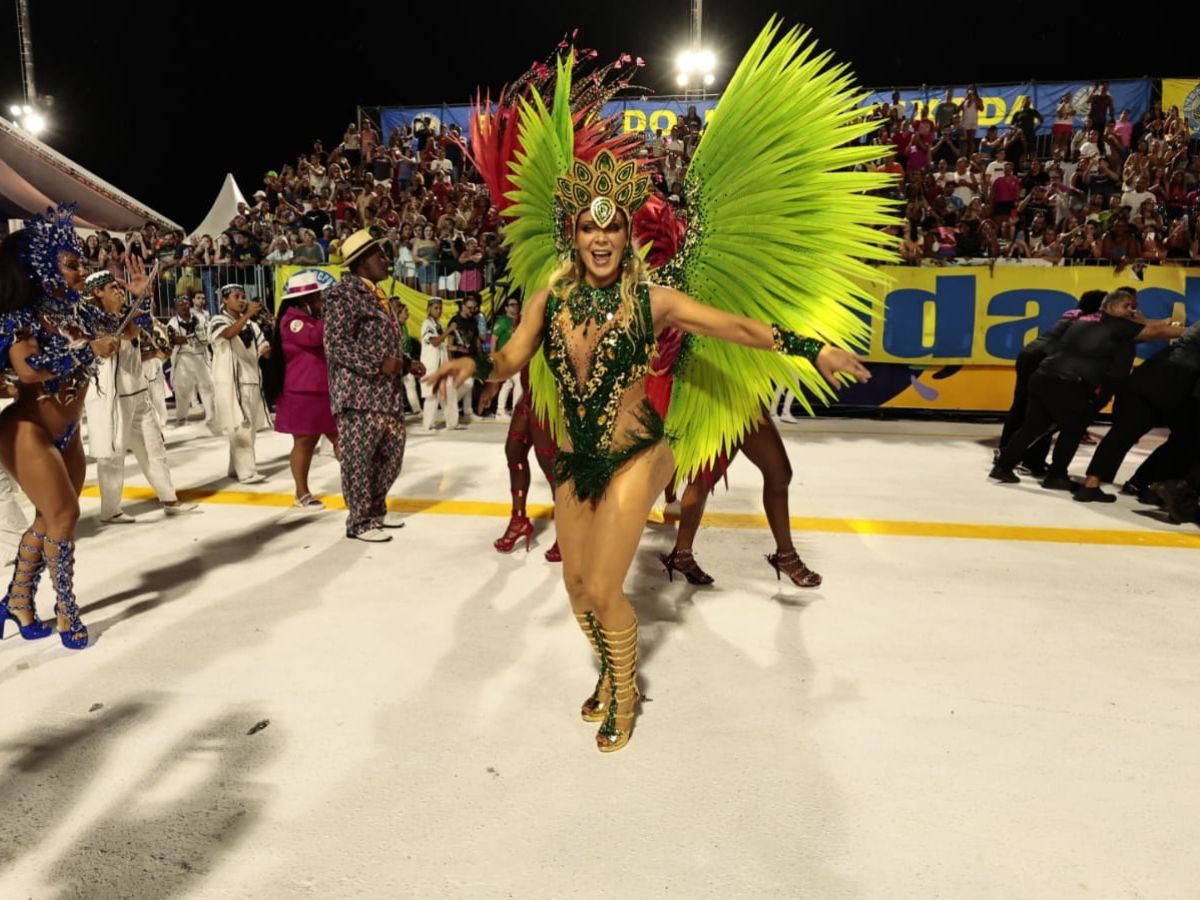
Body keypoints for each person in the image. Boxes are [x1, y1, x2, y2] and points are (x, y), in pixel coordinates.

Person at [0, 205, 121, 649]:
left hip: (66, 432)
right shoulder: (23, 317)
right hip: (26, 429)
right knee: (66, 516)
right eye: (72, 264)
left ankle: (16, 600)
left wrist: (124, 301)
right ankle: (67, 609)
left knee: (46, 518)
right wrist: (87, 351)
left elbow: (122, 333)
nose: (80, 271)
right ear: (41, 268)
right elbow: (29, 368)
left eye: (81, 264)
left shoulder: (76, 313)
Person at [991, 290, 1185, 488]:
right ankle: (1057, 476)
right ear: (1110, 306)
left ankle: (1003, 466)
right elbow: (1154, 332)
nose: (1131, 311)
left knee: (1032, 427)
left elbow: (1144, 327)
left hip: (1044, 376)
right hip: (1068, 382)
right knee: (1073, 429)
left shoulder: (1085, 319)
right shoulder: (1115, 324)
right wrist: (1187, 331)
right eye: (1126, 306)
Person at [323, 230, 424, 542]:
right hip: (358, 395)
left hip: (387, 395)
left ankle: (376, 509)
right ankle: (359, 521)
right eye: (380, 255)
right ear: (363, 262)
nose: (386, 260)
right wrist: (378, 364)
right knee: (358, 461)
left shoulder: (378, 295)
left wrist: (406, 363)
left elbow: (384, 341)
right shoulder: (343, 295)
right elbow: (335, 344)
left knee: (392, 457)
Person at [82, 271, 198, 524]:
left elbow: (136, 336)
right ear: (97, 292)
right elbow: (123, 335)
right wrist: (136, 304)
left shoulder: (125, 315)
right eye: (112, 287)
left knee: (154, 448)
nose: (118, 290)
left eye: (119, 287)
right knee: (113, 455)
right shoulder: (89, 319)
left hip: (138, 393)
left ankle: (169, 499)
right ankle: (110, 510)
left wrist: (141, 299)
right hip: (110, 398)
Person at [267, 272, 339, 509]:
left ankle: (357, 486)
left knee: (341, 440)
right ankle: (301, 492)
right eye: (317, 296)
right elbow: (315, 337)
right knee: (305, 443)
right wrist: (330, 315)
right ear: (304, 298)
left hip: (322, 390)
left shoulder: (309, 317)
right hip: (304, 392)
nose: (321, 300)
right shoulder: (292, 319)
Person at [210, 284, 271, 484]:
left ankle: (234, 469)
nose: (242, 300)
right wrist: (247, 316)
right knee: (240, 427)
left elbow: (264, 349)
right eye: (237, 296)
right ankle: (246, 472)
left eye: (244, 296)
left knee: (248, 428)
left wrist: (270, 335)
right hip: (231, 382)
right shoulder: (217, 320)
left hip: (251, 379)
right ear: (225, 300)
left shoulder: (252, 325)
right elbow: (227, 334)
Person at [166, 296, 214, 427]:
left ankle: (211, 416)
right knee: (182, 390)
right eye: (180, 304)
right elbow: (174, 340)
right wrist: (193, 337)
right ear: (176, 308)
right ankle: (181, 418)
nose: (183, 306)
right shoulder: (172, 322)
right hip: (184, 357)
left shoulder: (200, 318)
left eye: (185, 303)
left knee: (207, 386)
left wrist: (187, 338)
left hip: (200, 356)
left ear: (189, 304)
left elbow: (206, 335)